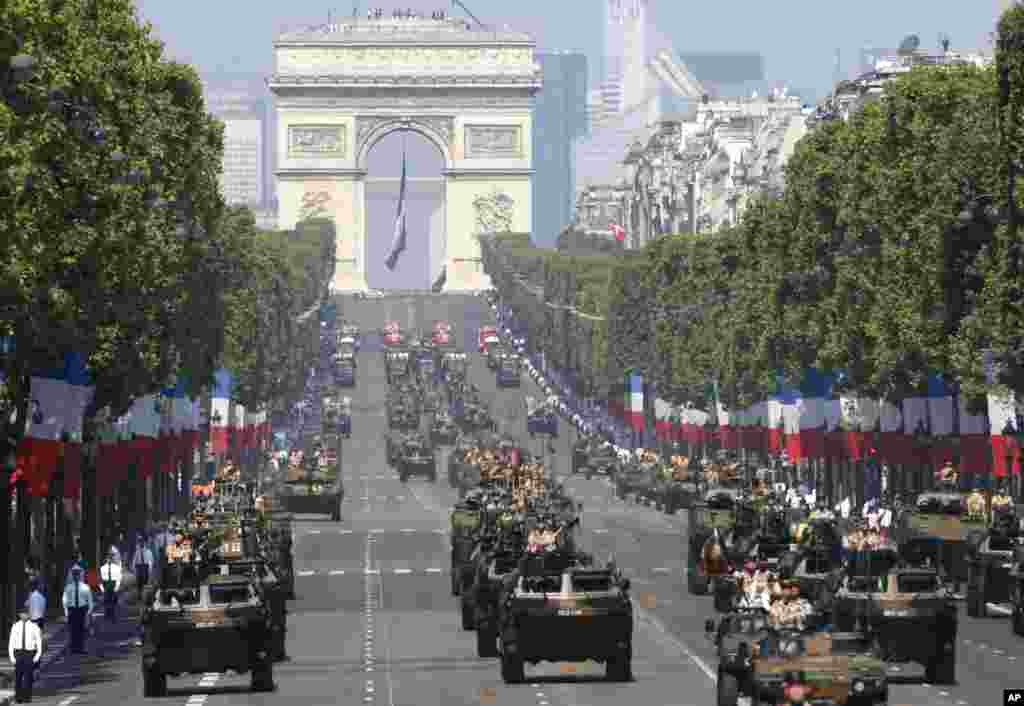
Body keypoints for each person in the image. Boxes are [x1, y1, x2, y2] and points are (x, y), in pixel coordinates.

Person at [8, 608, 42, 703]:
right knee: (18, 677)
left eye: (26, 614)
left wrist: (36, 656)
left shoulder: (34, 626)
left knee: (28, 677)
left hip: (29, 653)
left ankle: (27, 697)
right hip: (18, 653)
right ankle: (18, 698)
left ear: (29, 615)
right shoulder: (15, 626)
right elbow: (11, 642)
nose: (24, 616)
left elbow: (38, 642)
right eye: (22, 614)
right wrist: (12, 656)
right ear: (19, 615)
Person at [62, 566, 93, 654]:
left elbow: (89, 600)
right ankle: (73, 648)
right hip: (72, 609)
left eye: (77, 574)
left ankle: (80, 648)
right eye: (74, 574)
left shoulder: (85, 587)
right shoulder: (68, 587)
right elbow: (65, 599)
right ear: (72, 576)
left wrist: (89, 611)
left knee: (81, 629)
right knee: (72, 629)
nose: (76, 576)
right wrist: (66, 611)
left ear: (80, 575)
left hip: (81, 609)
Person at [99, 553, 122, 622]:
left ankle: (113, 615)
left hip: (113, 584)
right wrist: (102, 588)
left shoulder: (116, 568)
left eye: (111, 558)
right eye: (108, 558)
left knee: (113, 601)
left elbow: (118, 578)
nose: (109, 560)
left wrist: (117, 587)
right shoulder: (102, 568)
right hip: (106, 584)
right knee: (106, 600)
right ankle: (106, 614)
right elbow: (100, 579)